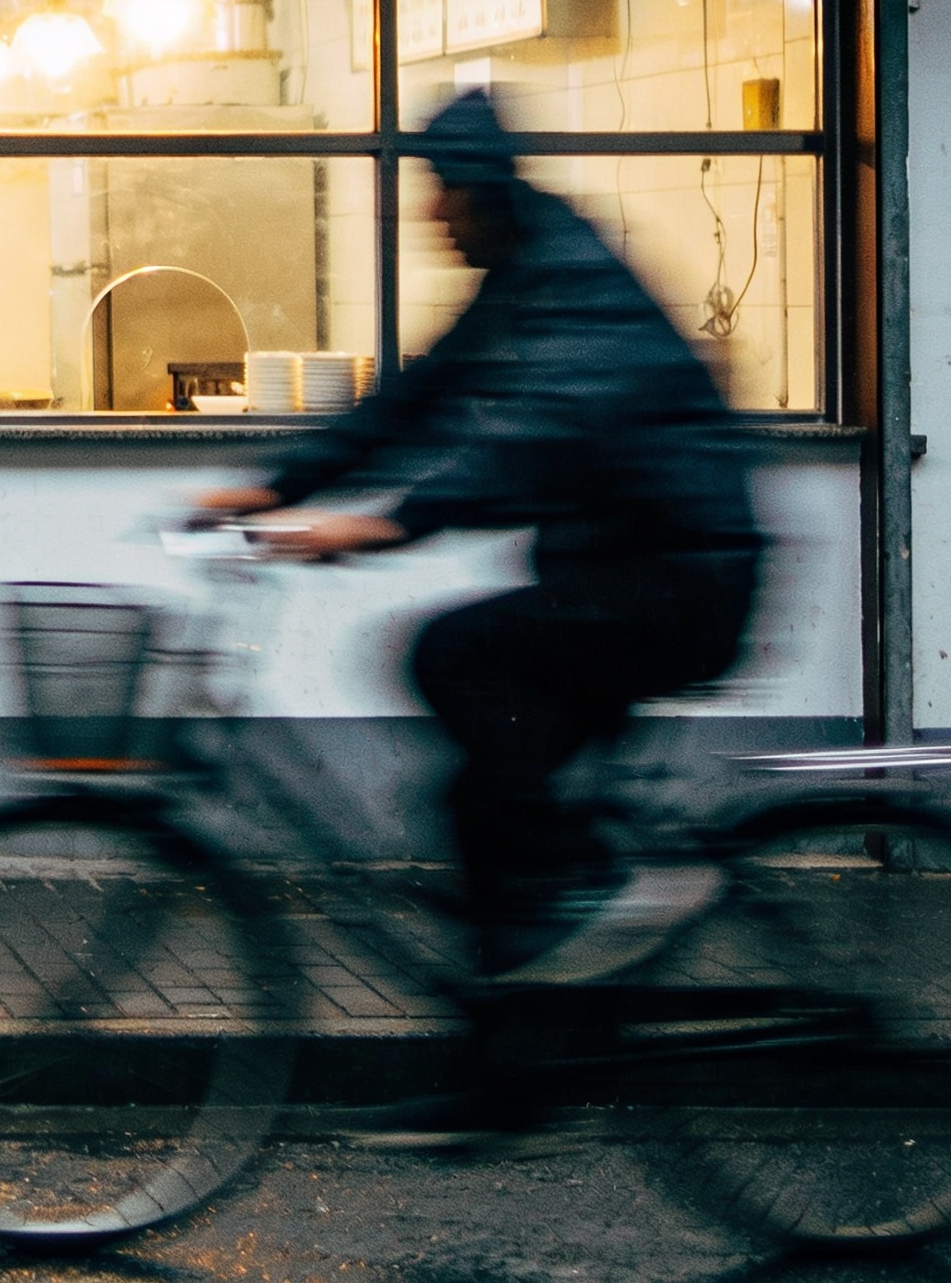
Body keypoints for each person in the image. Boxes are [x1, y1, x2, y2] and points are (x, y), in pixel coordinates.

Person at [195, 89, 764, 1138]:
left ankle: (594, 892)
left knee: (452, 652)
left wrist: (395, 525)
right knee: (476, 808)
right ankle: (515, 1061)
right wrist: (282, 487)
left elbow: (540, 435)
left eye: (440, 191)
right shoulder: (523, 275)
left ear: (483, 191)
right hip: (632, 575)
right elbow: (418, 398)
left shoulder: (571, 284)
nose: (429, 215)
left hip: (680, 582)